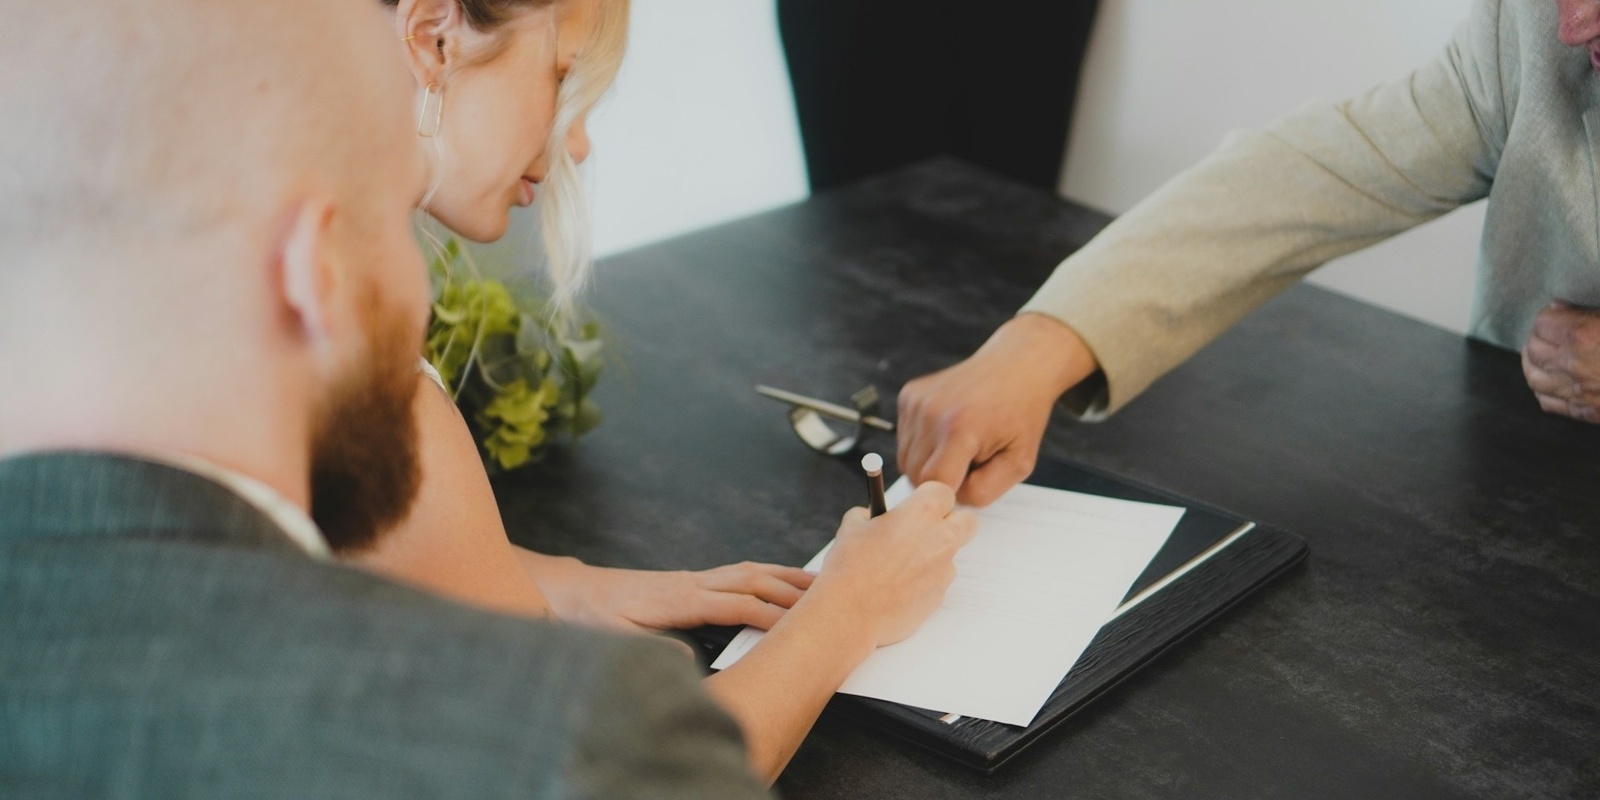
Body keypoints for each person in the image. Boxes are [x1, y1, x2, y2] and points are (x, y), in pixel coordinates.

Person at [0, 0, 773, 795]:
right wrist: (857, 601)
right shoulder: (576, 724)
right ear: (315, 272)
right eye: (389, 234)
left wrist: (572, 580)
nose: (425, 303)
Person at [312, 0, 978, 783]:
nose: (580, 144)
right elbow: (627, 776)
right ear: (434, 35)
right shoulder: (375, 394)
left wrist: (568, 585)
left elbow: (360, 552)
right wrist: (852, 606)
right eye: (562, 78)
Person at [897, 0, 1600, 508]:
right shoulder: (1538, 24)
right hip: (1516, 497)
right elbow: (1315, 175)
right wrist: (1037, 348)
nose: (1572, 23)